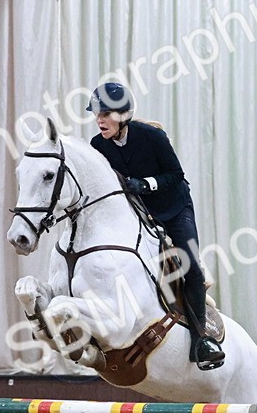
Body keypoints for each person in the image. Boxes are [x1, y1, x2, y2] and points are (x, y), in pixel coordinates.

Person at [86, 82, 225, 371]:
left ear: (124, 115)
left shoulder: (152, 136)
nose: (99, 120)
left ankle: (202, 341)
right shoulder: (97, 145)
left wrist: (147, 184)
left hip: (174, 209)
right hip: (139, 211)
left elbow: (176, 174)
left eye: (105, 114)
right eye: (97, 115)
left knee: (191, 266)